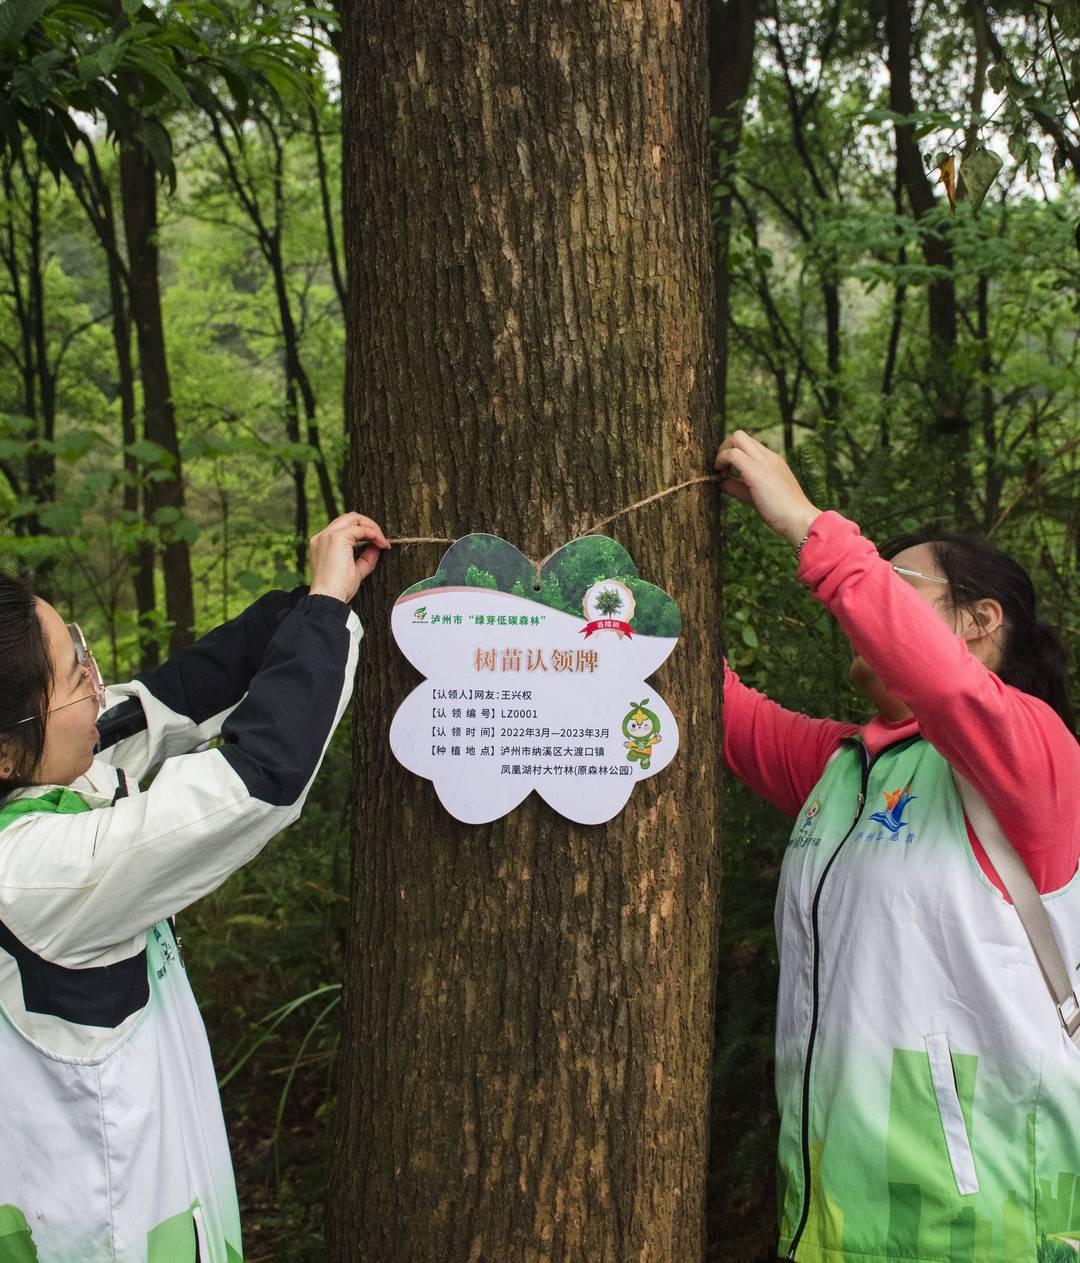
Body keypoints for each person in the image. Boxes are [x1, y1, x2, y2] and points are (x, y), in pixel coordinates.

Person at [714, 431, 1080, 1263]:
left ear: (981, 620)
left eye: (897, 581)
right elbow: (710, 706)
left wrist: (810, 526)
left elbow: (946, 685)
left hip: (982, 1223)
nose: (869, 595)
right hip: (836, 1221)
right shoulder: (846, 765)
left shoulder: (1034, 758)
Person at [0, 512, 388, 1263]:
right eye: (72, 669)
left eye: (77, 642)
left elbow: (164, 699)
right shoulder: (33, 873)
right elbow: (249, 785)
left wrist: (301, 606)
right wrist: (323, 615)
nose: (94, 672)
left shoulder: (55, 777)